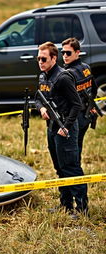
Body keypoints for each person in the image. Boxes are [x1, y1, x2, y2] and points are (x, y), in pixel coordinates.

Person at [35, 42, 89, 216]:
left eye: (44, 59)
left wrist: (65, 127)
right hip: (52, 128)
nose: (40, 62)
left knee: (71, 167)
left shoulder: (63, 77)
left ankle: (82, 209)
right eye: (38, 59)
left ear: (53, 58)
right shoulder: (43, 76)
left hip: (66, 127)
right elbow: (38, 97)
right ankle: (66, 205)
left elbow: (76, 105)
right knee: (59, 167)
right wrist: (41, 108)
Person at [61, 37, 98, 162]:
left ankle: (73, 177)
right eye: (63, 53)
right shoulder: (86, 67)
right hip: (86, 115)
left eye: (68, 53)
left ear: (77, 53)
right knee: (78, 147)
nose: (65, 56)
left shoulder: (67, 74)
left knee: (68, 152)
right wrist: (91, 106)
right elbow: (94, 89)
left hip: (74, 119)